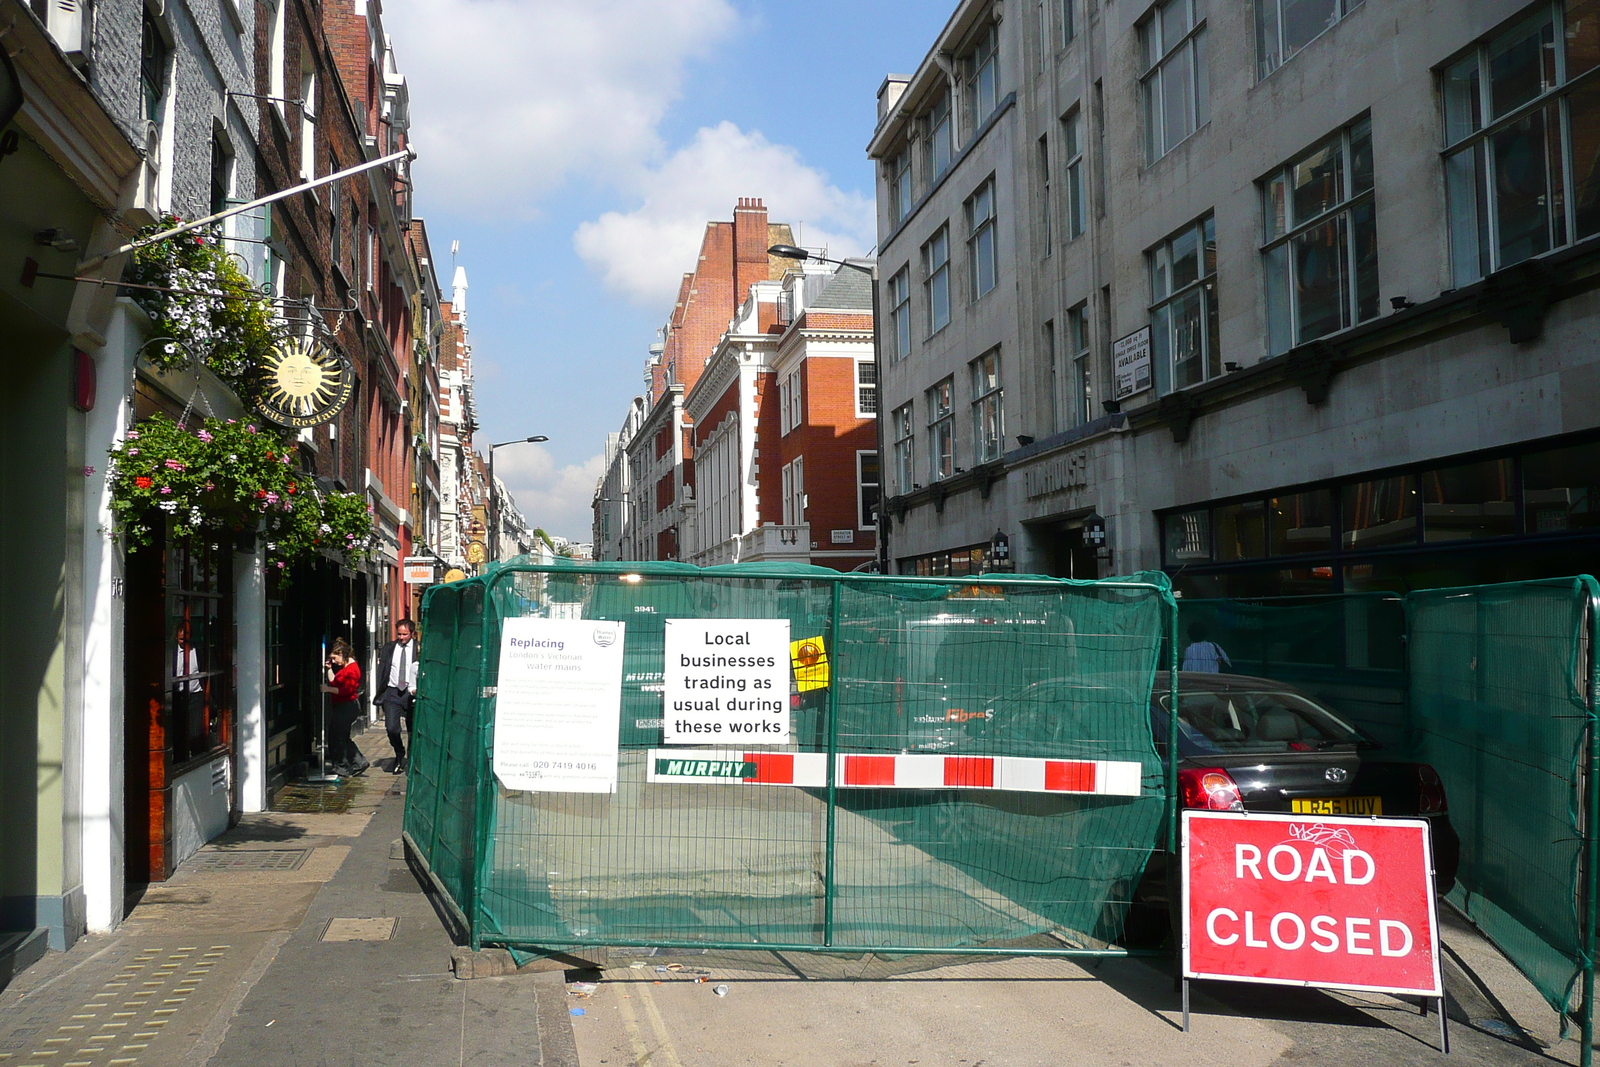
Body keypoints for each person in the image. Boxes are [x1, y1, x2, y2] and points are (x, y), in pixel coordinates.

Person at [376, 618, 419, 773]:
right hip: (392, 692)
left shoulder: (419, 648)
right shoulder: (389, 648)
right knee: (392, 728)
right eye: (399, 634)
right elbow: (383, 670)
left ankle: (411, 758)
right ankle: (399, 752)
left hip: (412, 693)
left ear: (412, 633)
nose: (401, 637)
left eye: (405, 634)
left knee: (412, 730)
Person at [320, 638, 368, 775]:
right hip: (343, 706)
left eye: (335, 658)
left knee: (337, 737)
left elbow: (346, 690)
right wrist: (329, 670)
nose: (334, 661)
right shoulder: (346, 668)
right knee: (341, 736)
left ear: (342, 654)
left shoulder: (352, 670)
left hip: (346, 706)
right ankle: (357, 762)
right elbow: (335, 682)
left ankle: (343, 766)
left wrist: (327, 689)